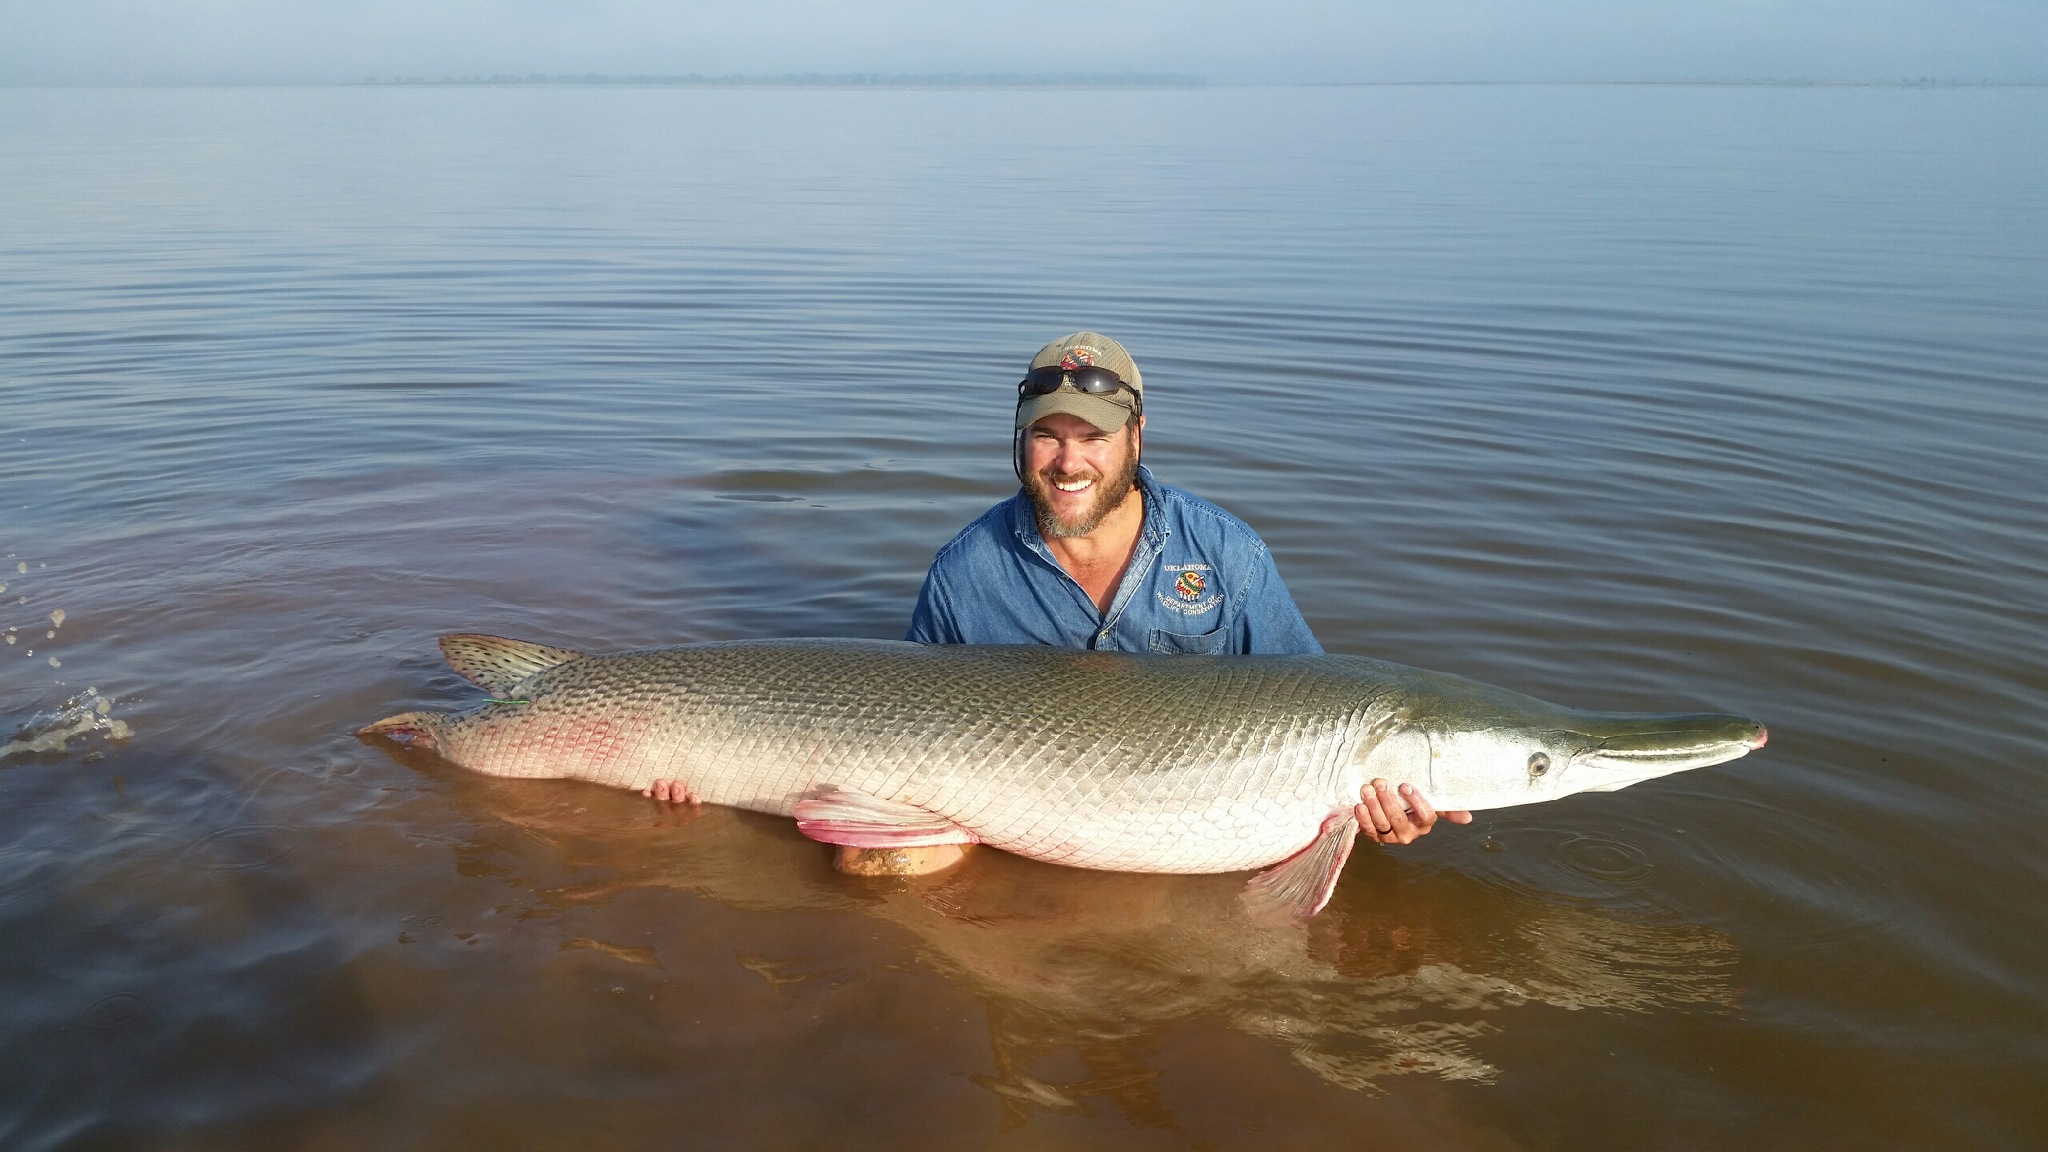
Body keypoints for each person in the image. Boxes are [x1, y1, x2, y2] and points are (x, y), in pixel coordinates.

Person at [648, 332, 1469, 862]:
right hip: (1001, 799)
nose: (1068, 462)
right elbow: (898, 703)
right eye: (1048, 434)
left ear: (1135, 440)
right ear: (1022, 440)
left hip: (1194, 800)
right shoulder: (966, 570)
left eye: (1093, 439)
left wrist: (1371, 809)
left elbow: (1321, 702)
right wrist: (691, 767)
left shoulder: (1226, 552)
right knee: (876, 867)